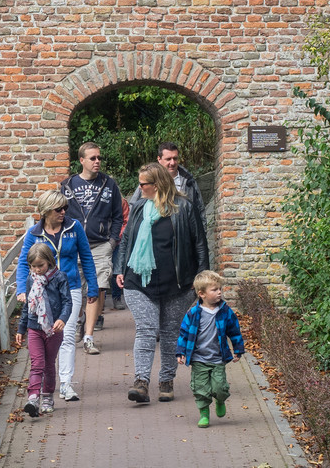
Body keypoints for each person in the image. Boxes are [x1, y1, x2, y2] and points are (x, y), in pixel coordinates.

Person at [114, 162, 209, 404]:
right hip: (139, 280)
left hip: (177, 283)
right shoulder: (138, 208)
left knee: (169, 333)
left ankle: (166, 380)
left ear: (156, 186)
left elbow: (200, 242)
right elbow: (126, 241)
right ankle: (141, 383)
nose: (139, 187)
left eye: (143, 184)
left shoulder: (184, 207)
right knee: (146, 329)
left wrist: (201, 278)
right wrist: (120, 268)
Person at [16, 189, 99, 402]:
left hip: (69, 287)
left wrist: (93, 287)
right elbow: (24, 264)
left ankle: (66, 384)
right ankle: (45, 383)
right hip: (41, 290)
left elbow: (87, 257)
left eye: (65, 208)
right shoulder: (33, 234)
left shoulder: (74, 227)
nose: (63, 212)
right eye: (58, 209)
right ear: (45, 211)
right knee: (45, 336)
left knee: (67, 334)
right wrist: (21, 290)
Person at [59, 142, 124, 355]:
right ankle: (78, 320)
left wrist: (112, 241)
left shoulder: (109, 184)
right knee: (72, 288)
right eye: (93, 158)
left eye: (99, 158)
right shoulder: (67, 185)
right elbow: (58, 215)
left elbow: (118, 216)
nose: (97, 162)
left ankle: (88, 337)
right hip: (73, 245)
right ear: (82, 161)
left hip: (100, 245)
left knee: (97, 288)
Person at [176, 269, 245, 427]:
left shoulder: (225, 312)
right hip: (199, 358)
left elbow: (234, 331)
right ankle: (204, 413)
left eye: (220, 288)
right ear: (202, 294)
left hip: (218, 358)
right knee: (201, 388)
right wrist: (180, 352)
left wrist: (238, 349)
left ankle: (220, 400)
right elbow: (184, 334)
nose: (219, 292)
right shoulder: (193, 313)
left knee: (219, 387)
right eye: (214, 289)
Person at [128, 141, 210, 273]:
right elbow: (134, 206)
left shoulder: (188, 181)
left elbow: (199, 209)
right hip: (155, 238)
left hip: (182, 239)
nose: (172, 162)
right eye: (168, 159)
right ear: (159, 159)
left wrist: (201, 235)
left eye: (175, 158)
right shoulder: (147, 179)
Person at [15, 243, 71, 417]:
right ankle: (33, 397)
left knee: (48, 364)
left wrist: (62, 319)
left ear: (49, 262)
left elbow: (67, 301)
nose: (38, 270)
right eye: (34, 266)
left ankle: (47, 396)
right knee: (37, 363)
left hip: (53, 329)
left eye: (41, 265)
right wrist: (21, 329)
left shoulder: (60, 277)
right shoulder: (31, 279)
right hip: (34, 327)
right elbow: (27, 308)